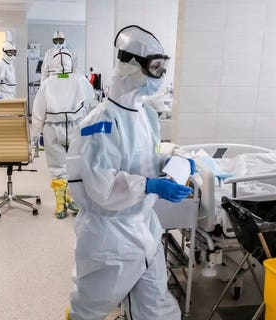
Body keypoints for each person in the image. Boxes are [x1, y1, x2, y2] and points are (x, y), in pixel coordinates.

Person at [65, 25, 195, 320]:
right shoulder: (99, 122)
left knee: (154, 304)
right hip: (109, 236)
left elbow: (145, 157)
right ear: (130, 66)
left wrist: (173, 163)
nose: (161, 76)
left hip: (144, 227)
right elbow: (102, 186)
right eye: (155, 67)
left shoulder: (146, 114)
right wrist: (150, 185)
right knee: (89, 308)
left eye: (163, 67)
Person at [31, 48, 94, 219]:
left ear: (52, 63)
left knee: (57, 166)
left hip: (52, 128)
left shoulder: (47, 82)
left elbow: (38, 110)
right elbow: (91, 103)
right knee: (75, 165)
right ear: (71, 61)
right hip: (76, 127)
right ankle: (72, 198)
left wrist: (35, 133)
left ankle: (60, 204)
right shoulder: (80, 79)